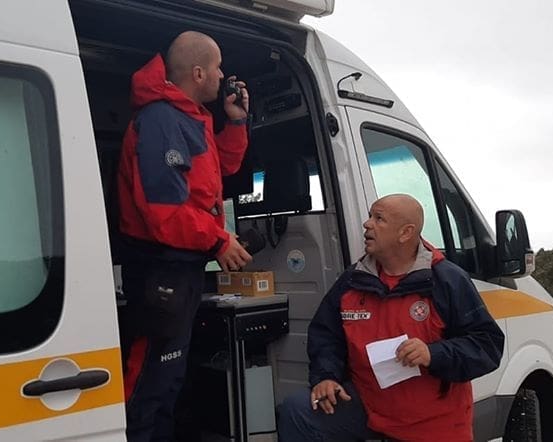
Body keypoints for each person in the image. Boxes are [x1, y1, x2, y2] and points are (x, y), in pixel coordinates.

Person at [277, 194, 505, 441]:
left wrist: (433, 353)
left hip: (433, 422)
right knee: (298, 411)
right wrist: (326, 377)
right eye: (370, 216)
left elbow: (487, 345)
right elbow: (326, 335)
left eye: (379, 219)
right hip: (369, 406)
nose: (367, 224)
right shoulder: (353, 280)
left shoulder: (447, 279)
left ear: (405, 233)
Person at [116, 31, 253, 441]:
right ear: (198, 73)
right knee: (147, 387)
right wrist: (219, 240)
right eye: (217, 68)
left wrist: (236, 121)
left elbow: (220, 170)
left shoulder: (190, 117)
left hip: (182, 271)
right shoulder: (161, 120)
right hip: (161, 270)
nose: (223, 76)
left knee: (169, 382)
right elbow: (164, 213)